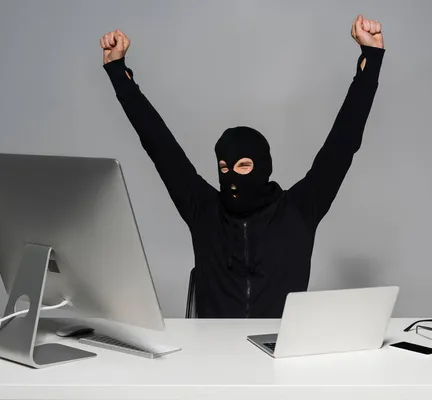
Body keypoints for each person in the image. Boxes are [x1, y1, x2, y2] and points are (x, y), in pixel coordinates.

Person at [100, 15, 385, 318]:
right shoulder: (203, 209)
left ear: (263, 167)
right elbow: (158, 144)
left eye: (243, 165)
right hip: (213, 355)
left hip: (278, 352)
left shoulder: (299, 210)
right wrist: (117, 71)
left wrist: (371, 59)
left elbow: (342, 144)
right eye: (224, 167)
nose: (231, 176)